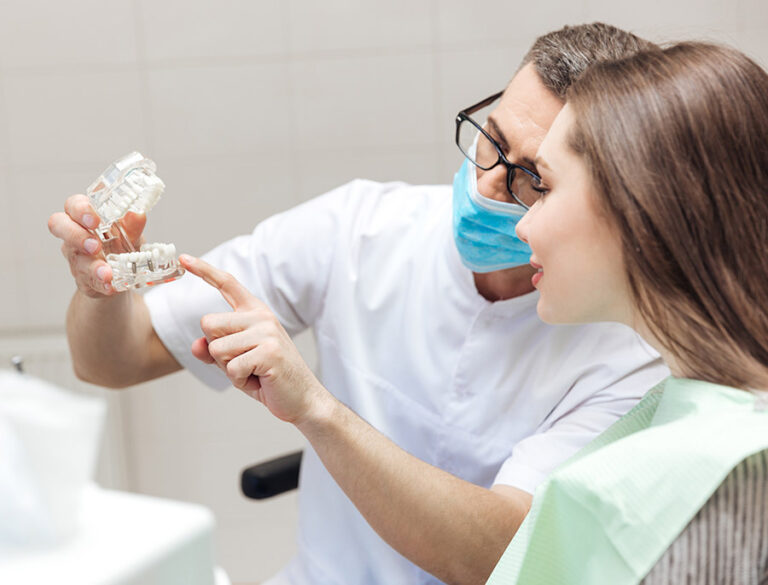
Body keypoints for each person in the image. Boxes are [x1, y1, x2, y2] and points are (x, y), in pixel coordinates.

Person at [48, 24, 668, 585]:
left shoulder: (630, 353)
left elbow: (504, 557)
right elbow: (112, 361)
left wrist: (316, 409)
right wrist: (99, 287)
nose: (486, 186)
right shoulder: (361, 228)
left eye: (532, 178)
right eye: (492, 139)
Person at [483, 42, 768, 584]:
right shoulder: (687, 402)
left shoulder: (722, 478)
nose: (522, 225)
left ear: (639, 204)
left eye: (544, 186)